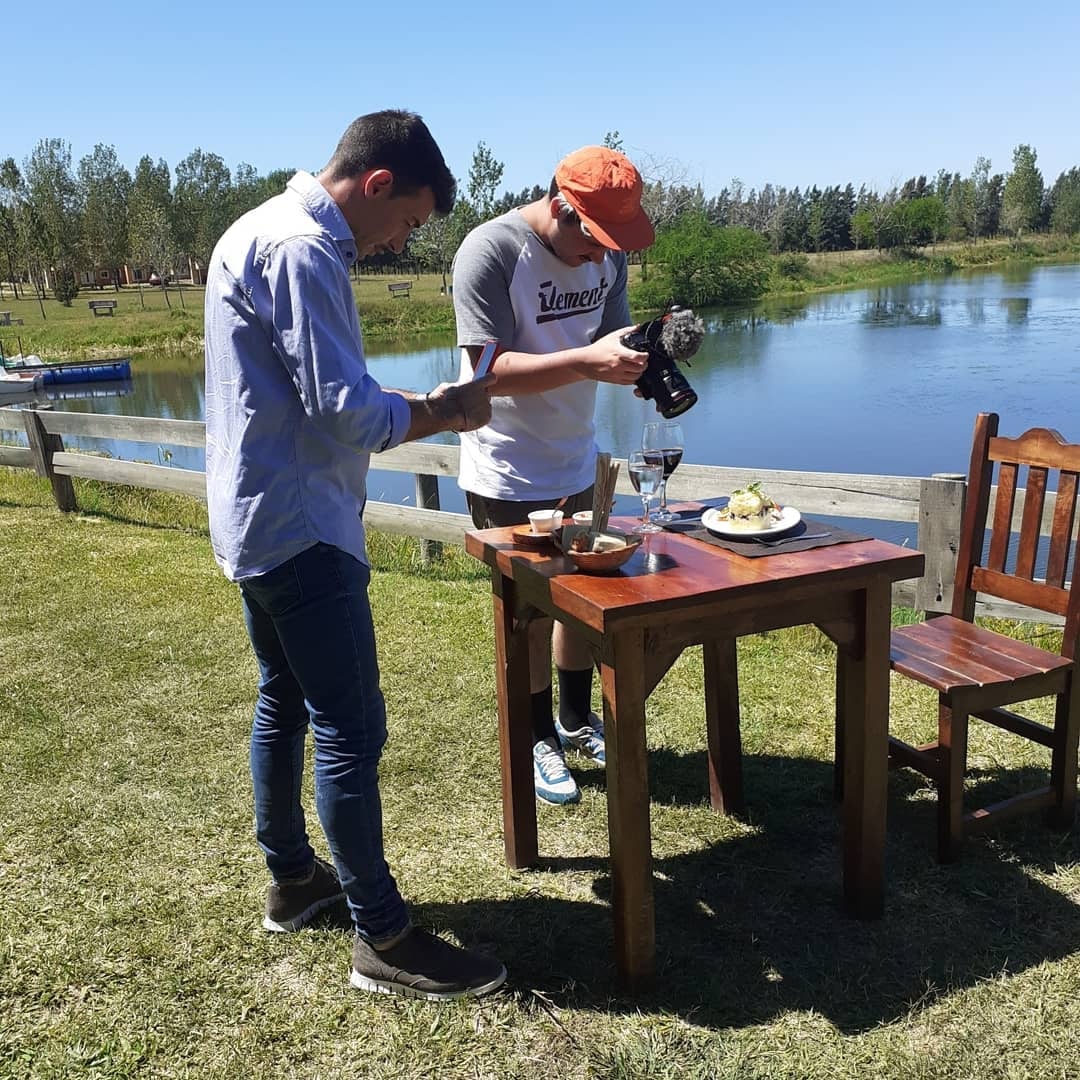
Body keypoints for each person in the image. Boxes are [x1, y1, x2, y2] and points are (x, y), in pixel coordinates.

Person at [203, 109, 506, 1001]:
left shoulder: (253, 229)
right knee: (349, 725)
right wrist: (446, 411)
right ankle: (383, 937)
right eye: (408, 221)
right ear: (378, 185)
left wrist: (409, 398)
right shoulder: (305, 249)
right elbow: (344, 411)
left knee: (284, 699)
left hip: (255, 519)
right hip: (302, 528)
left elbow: (304, 390)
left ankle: (295, 881)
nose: (399, 240)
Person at [451, 147, 655, 804]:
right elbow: (486, 371)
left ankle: (573, 717)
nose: (603, 260)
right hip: (508, 469)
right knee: (531, 617)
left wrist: (645, 359)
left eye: (613, 247)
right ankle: (538, 737)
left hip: (582, 456)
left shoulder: (609, 252)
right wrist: (591, 363)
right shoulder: (490, 252)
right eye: (594, 243)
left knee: (587, 594)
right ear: (562, 209)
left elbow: (614, 337)